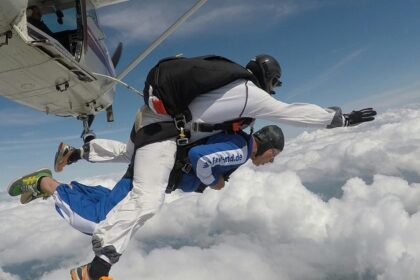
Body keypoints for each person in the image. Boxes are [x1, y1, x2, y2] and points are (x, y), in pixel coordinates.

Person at [54, 54, 376, 279]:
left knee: (130, 153)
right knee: (149, 197)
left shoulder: (226, 85)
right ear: (268, 79)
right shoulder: (250, 93)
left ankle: (81, 151)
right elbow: (291, 112)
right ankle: (97, 267)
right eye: (274, 84)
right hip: (164, 127)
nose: (273, 91)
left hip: (153, 122)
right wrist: (338, 119)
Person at [8, 125, 284, 280]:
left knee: (112, 207)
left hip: (156, 163)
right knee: (99, 222)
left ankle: (69, 181)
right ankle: (43, 183)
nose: (269, 161)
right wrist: (214, 182)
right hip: (156, 175)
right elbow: (201, 157)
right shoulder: (240, 150)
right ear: (270, 149)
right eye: (273, 157)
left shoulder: (235, 138)